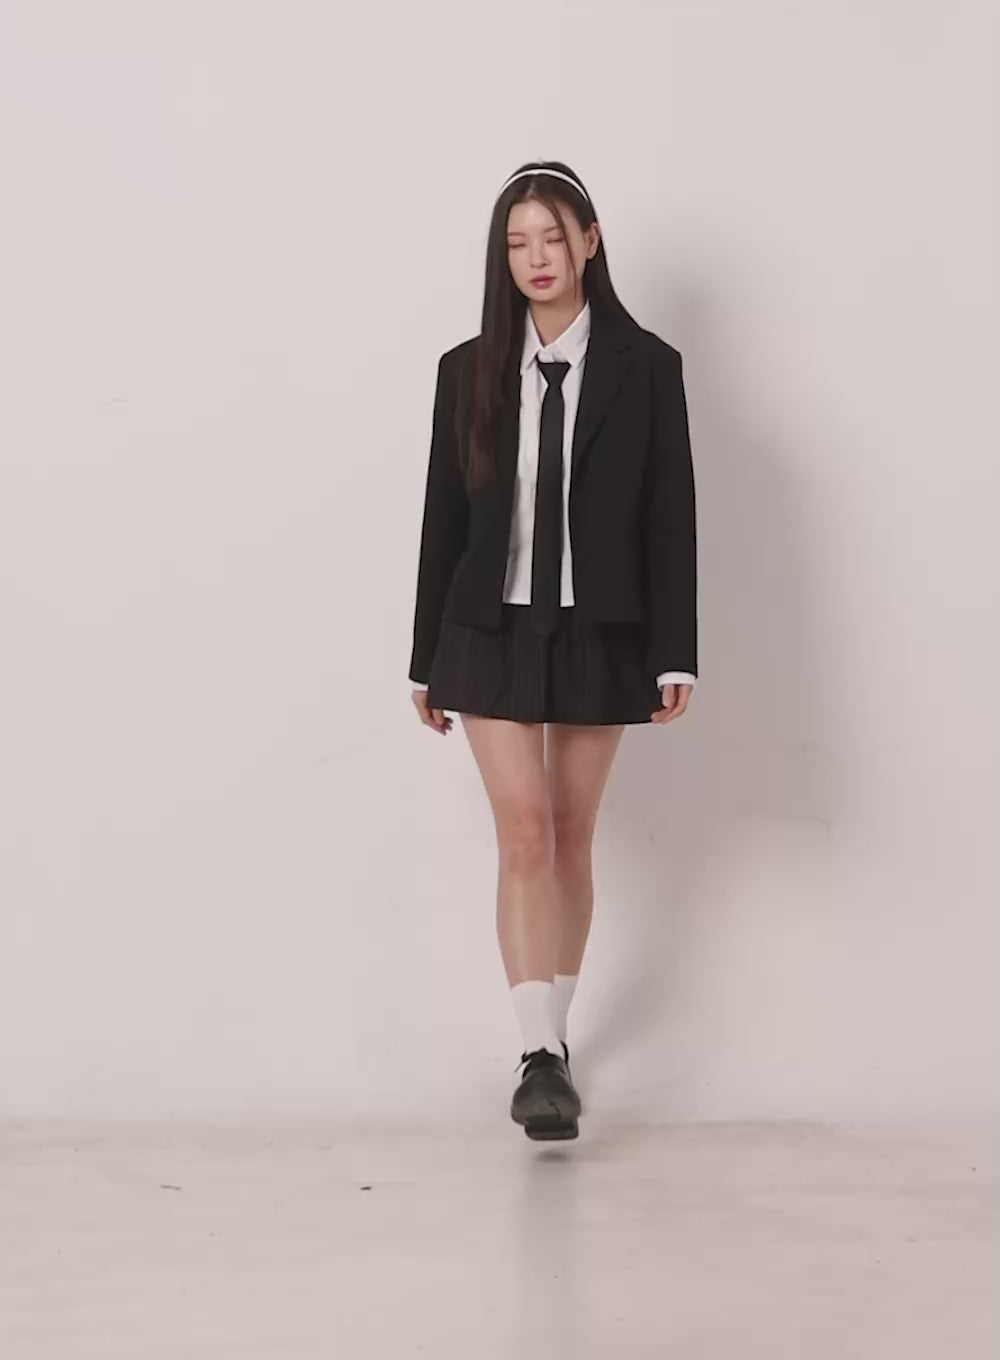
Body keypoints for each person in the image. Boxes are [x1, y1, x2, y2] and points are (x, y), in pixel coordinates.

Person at [406, 160, 697, 1141]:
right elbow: (442, 518)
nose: (535, 258)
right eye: (516, 242)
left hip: (597, 627)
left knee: (571, 835)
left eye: (551, 237)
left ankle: (556, 1040)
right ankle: (535, 1052)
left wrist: (675, 652)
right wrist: (423, 657)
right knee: (524, 833)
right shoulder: (466, 370)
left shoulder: (646, 367)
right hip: (485, 627)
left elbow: (670, 517)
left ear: (589, 241)